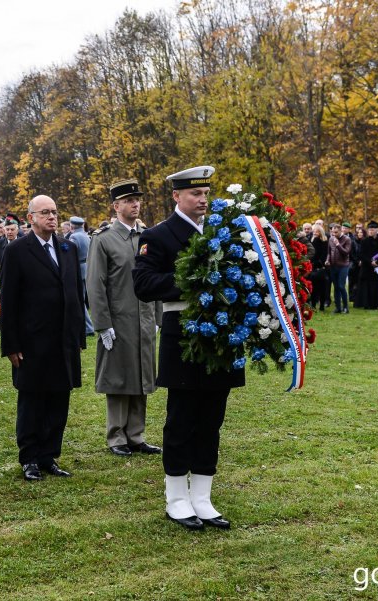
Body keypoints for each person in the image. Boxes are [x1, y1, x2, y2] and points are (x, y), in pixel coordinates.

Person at [133, 165, 243, 531]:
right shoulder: (158, 236)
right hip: (185, 337)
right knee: (182, 421)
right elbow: (144, 283)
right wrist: (193, 278)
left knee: (212, 419)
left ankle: (203, 497)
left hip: (222, 338)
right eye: (195, 194)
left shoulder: (221, 233)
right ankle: (177, 497)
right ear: (176, 196)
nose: (202, 200)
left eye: (206, 193)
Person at [1, 194, 85, 481]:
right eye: (45, 212)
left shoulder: (68, 247)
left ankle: (49, 456)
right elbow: (9, 301)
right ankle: (30, 458)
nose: (52, 217)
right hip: (32, 342)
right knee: (33, 401)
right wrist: (11, 344)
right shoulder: (17, 251)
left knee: (59, 400)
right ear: (31, 218)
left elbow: (75, 292)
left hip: (63, 340)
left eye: (55, 212)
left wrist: (77, 336)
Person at [86, 179, 162, 457]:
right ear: (116, 206)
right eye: (129, 200)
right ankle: (116, 436)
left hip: (143, 319)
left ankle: (136, 435)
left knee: (142, 376)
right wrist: (103, 325)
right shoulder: (103, 239)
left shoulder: (147, 237)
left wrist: (157, 315)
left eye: (138, 199)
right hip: (118, 321)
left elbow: (153, 278)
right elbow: (95, 285)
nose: (135, 204)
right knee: (118, 378)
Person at [68, 216, 94, 336]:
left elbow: (71, 254)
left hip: (79, 268)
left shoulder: (73, 237)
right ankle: (88, 327)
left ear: (72, 225)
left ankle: (88, 328)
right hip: (87, 267)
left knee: (80, 300)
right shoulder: (86, 235)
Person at [356, 221, 378, 309]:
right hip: (367, 266)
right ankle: (367, 304)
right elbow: (361, 254)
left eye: (373, 230)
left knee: (377, 284)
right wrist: (370, 262)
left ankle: (376, 304)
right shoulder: (364, 241)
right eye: (369, 230)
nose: (371, 231)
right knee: (367, 285)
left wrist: (377, 262)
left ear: (377, 230)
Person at [325, 222, 351, 314]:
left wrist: (338, 244)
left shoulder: (347, 239)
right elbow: (329, 252)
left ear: (340, 231)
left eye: (336, 232)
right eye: (333, 232)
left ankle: (345, 307)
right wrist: (327, 260)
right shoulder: (331, 239)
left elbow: (346, 252)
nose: (334, 234)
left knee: (341, 286)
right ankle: (338, 307)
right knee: (336, 287)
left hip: (343, 265)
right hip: (333, 265)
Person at [309, 224, 330, 311]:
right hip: (316, 266)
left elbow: (323, 254)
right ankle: (315, 304)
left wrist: (317, 263)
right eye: (313, 231)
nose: (314, 233)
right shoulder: (313, 240)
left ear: (320, 232)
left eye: (316, 231)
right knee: (317, 288)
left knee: (320, 288)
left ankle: (319, 305)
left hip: (320, 267)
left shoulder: (323, 241)